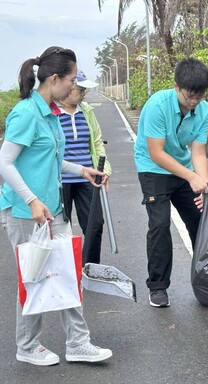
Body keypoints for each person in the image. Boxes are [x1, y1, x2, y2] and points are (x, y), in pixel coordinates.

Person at [0, 46, 112, 366]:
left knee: (67, 273)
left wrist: (82, 170)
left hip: (51, 210)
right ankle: (26, 345)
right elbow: (5, 162)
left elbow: (51, 158)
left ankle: (78, 342)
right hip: (25, 212)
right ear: (54, 79)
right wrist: (32, 200)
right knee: (33, 277)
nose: (73, 86)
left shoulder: (51, 112)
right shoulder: (26, 113)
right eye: (72, 79)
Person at [134, 58, 208, 308]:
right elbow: (156, 152)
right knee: (159, 224)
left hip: (182, 166)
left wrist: (203, 182)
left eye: (199, 97)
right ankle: (157, 286)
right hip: (152, 167)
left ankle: (207, 278)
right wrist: (191, 177)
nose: (194, 102)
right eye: (189, 96)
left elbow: (198, 152)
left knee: (201, 220)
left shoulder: (204, 110)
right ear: (176, 86)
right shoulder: (157, 105)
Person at [56, 68, 112, 265]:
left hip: (88, 176)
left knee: (95, 224)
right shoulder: (51, 113)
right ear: (69, 88)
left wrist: (104, 170)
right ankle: (65, 270)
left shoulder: (86, 111)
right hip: (60, 179)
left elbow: (96, 142)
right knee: (62, 228)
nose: (83, 94)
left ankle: (90, 267)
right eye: (81, 90)